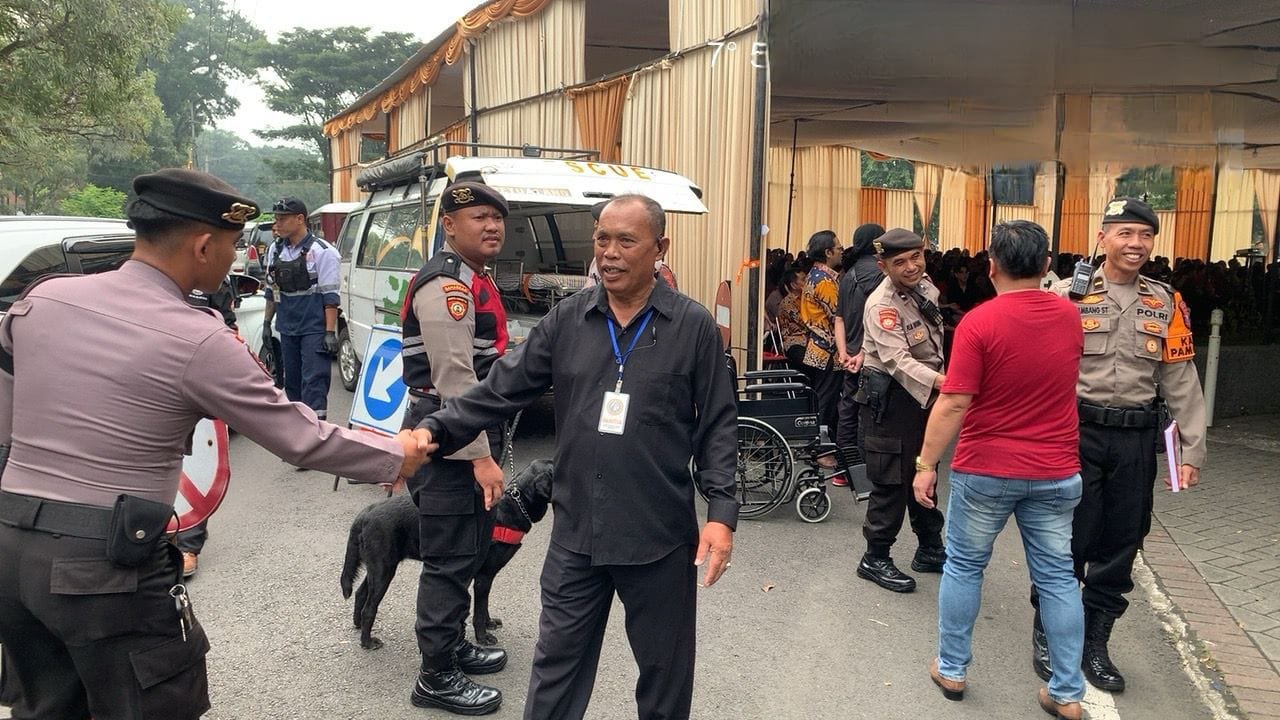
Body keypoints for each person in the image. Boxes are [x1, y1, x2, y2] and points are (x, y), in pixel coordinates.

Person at [0, 168, 431, 720]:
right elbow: (299, 437)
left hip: (12, 550)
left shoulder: (41, 300)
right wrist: (397, 455)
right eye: (232, 245)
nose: (236, 258)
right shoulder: (198, 337)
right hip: (104, 568)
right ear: (203, 246)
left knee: (49, 708)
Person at [417, 193, 738, 720]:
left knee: (665, 677)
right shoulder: (568, 320)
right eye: (602, 239)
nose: (609, 253)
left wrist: (721, 513)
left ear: (660, 247)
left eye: (626, 241)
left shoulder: (692, 326)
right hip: (577, 535)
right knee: (555, 674)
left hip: (658, 538)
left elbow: (718, 423)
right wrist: (434, 430)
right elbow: (501, 388)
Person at [912, 221, 1086, 719]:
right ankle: (1067, 692)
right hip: (1056, 468)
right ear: (1047, 265)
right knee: (1057, 579)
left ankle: (952, 668)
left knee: (965, 566)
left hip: (986, 467)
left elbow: (954, 401)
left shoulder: (979, 323)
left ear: (990, 267)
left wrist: (926, 464)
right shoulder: (1070, 317)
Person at [1033, 197, 1206, 693]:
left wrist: (1192, 450)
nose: (1136, 244)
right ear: (1103, 237)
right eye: (1125, 233)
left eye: (1145, 235)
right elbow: (1040, 365)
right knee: (1066, 539)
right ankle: (1048, 633)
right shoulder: (1066, 295)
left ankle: (1095, 643)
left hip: (1135, 441)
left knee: (1122, 542)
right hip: (1075, 435)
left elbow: (1180, 378)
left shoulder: (1165, 302)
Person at [398, 181, 514, 715]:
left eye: (497, 217)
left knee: (467, 550)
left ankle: (453, 644)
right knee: (447, 559)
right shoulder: (447, 284)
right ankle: (435, 675)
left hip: (461, 431)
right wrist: (482, 457)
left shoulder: (472, 277)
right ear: (448, 225)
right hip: (448, 439)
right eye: (478, 217)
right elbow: (455, 381)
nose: (491, 226)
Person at [853, 228, 947, 593]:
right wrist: (943, 383)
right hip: (891, 401)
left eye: (916, 257)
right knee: (891, 481)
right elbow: (897, 360)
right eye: (900, 262)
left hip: (923, 398)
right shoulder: (883, 305)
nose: (911, 267)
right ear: (883, 266)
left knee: (925, 470)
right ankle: (875, 557)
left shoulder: (923, 286)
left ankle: (930, 547)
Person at [179, 276, 241, 578]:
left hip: (201, 378)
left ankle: (188, 544)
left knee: (197, 463)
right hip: (156, 376)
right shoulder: (142, 280)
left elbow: (228, 328)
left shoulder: (208, 279)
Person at [261, 197, 341, 421]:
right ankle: (297, 432)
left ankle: (316, 430)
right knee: (292, 384)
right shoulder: (275, 250)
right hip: (287, 328)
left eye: (282, 218)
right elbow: (271, 291)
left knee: (314, 382)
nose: (277, 223)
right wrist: (267, 323)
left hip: (313, 329)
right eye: (276, 218)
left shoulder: (323, 251)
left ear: (299, 219)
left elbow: (330, 296)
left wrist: (329, 332)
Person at [832, 223, 886, 476]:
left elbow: (839, 319)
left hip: (850, 354)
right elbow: (876, 323)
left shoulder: (847, 275)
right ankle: (864, 470)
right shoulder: (881, 276)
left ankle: (844, 468)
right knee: (869, 413)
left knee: (847, 409)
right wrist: (864, 354)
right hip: (871, 356)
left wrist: (843, 352)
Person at [798, 230, 843, 448]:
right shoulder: (824, 281)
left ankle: (819, 443)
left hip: (817, 347)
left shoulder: (814, 274)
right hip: (827, 350)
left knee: (822, 397)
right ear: (828, 252)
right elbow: (838, 314)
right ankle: (822, 448)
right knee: (826, 400)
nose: (842, 251)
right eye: (838, 248)